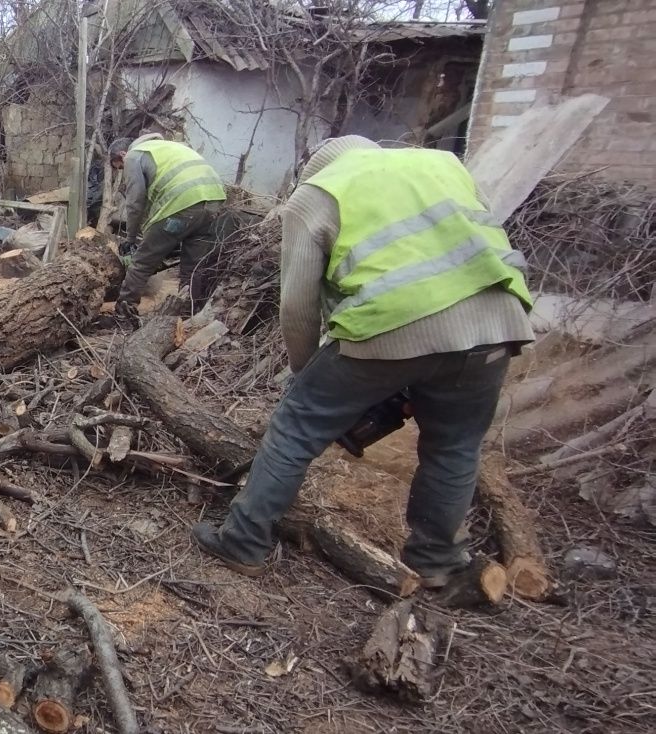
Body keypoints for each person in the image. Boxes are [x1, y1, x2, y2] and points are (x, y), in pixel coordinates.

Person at [191, 135, 535, 587]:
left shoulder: (315, 195)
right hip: (497, 320)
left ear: (318, 170)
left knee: (295, 427)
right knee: (455, 446)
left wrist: (305, 378)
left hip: (390, 320)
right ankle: (436, 561)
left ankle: (243, 541)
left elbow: (297, 308)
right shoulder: (443, 164)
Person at [108, 135, 228, 316]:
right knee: (193, 267)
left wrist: (131, 239)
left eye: (121, 168)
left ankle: (124, 311)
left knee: (142, 261)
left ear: (123, 155)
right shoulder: (164, 147)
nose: (124, 170)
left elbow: (135, 202)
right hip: (214, 200)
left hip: (183, 201)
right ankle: (187, 314)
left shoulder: (134, 155)